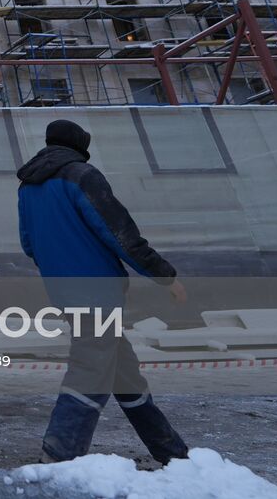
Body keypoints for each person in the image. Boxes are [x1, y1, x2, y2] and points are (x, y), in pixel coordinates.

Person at [16, 118, 189, 465]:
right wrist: (165, 277)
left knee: (124, 373)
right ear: (80, 147)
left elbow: (29, 244)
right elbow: (120, 234)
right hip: (97, 291)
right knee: (89, 370)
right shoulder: (82, 176)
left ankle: (172, 453)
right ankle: (59, 456)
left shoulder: (27, 187)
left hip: (64, 291)